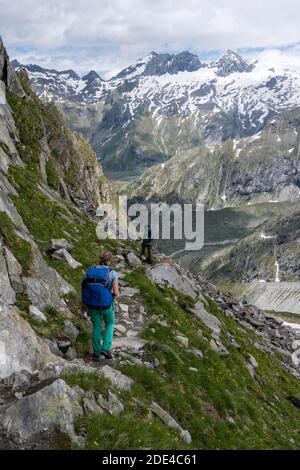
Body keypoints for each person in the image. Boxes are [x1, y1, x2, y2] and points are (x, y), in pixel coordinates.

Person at [81, 251, 119, 361]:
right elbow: (116, 293)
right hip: (106, 305)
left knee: (96, 326)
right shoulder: (112, 273)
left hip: (91, 304)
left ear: (100, 259)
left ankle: (96, 354)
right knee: (110, 323)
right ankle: (106, 348)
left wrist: (82, 305)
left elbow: (84, 287)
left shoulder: (89, 270)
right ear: (109, 260)